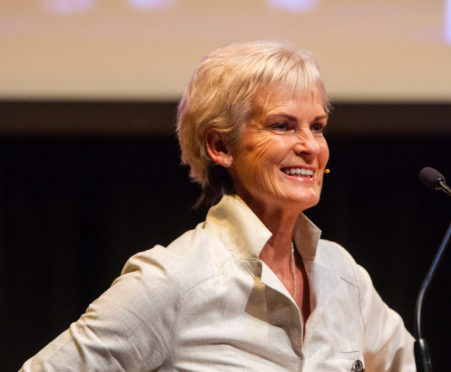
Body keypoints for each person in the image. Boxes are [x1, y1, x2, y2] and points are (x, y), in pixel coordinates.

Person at [20, 40, 415, 371]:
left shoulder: (343, 275)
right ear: (220, 146)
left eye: (317, 126)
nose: (310, 147)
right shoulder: (174, 279)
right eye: (282, 125)